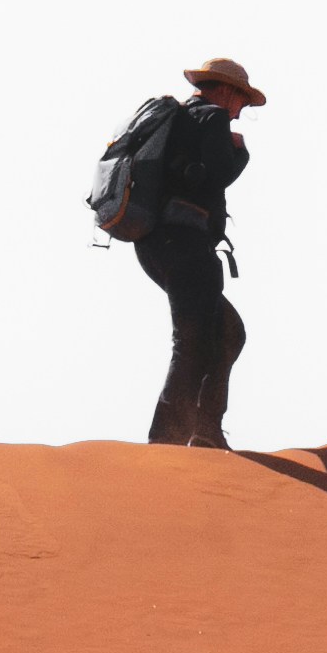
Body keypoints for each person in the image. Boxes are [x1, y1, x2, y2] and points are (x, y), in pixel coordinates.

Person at [121, 57, 263, 446]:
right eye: (243, 101)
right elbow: (219, 176)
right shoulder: (212, 118)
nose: (241, 111)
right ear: (227, 90)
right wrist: (241, 153)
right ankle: (168, 439)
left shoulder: (180, 118)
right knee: (194, 339)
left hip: (153, 243)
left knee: (226, 331)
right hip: (186, 244)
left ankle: (205, 430)